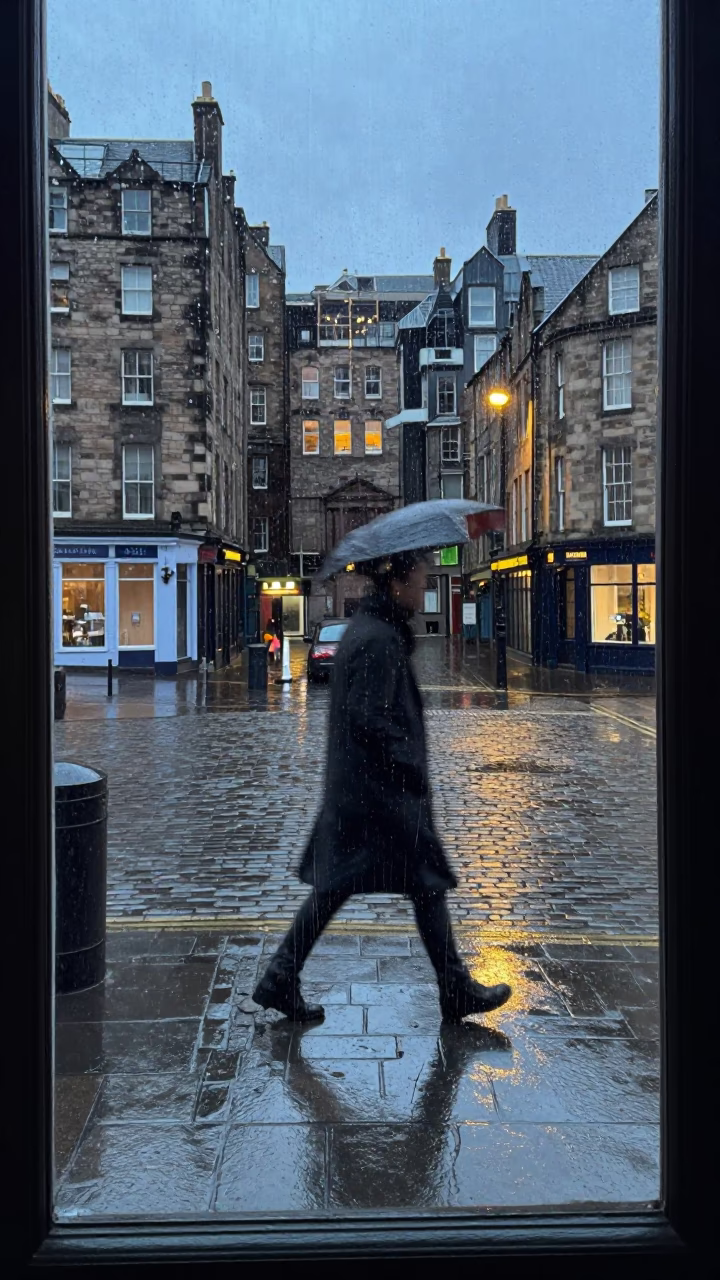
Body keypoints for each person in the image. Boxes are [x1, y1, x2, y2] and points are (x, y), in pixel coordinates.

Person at [253, 549, 512, 1023]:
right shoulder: (377, 639)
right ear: (397, 583)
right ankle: (452, 989)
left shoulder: (376, 631)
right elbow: (370, 719)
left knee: (400, 886)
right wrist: (408, 765)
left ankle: (281, 979)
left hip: (366, 793)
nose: (425, 586)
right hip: (378, 797)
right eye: (419, 578)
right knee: (404, 884)